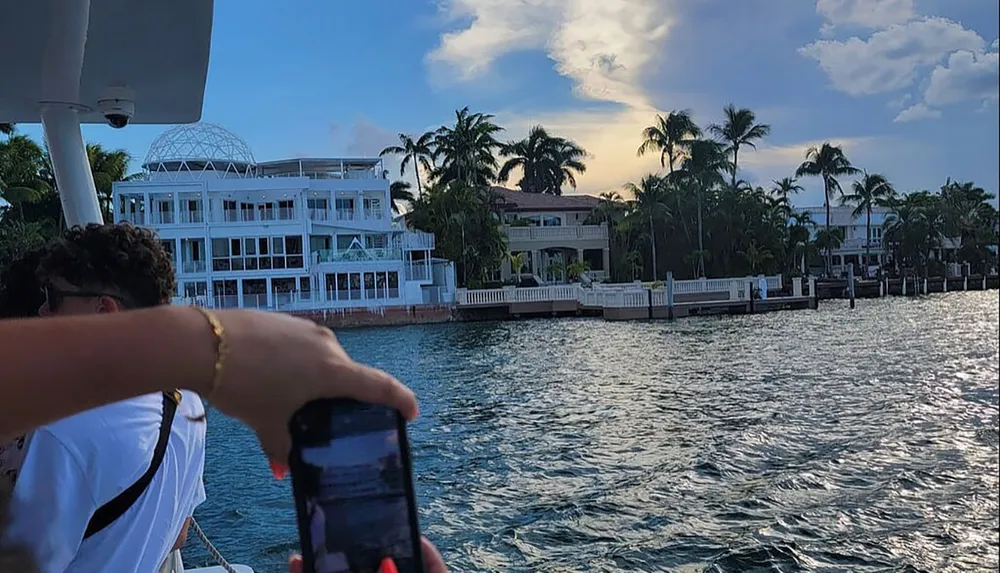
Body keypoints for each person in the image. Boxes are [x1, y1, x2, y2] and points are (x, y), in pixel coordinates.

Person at [3, 223, 205, 573]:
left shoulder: (67, 430)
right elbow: (179, 534)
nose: (42, 313)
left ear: (104, 312)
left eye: (54, 298)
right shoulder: (186, 401)